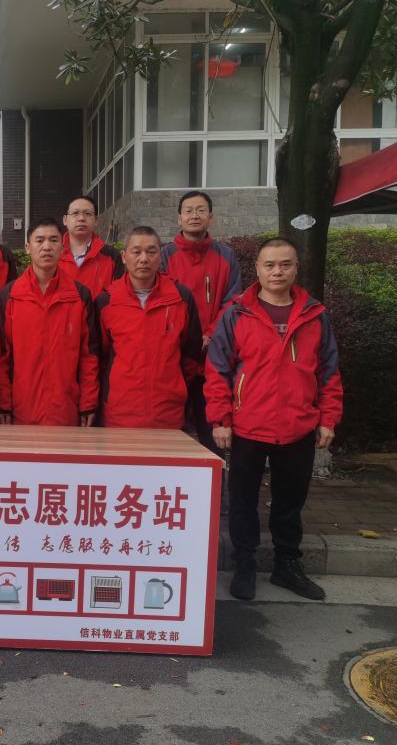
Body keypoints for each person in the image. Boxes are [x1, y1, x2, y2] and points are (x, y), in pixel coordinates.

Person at [205, 237, 343, 602]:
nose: (277, 271)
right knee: (242, 501)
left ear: (296, 268)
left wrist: (328, 418)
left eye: (285, 264)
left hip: (298, 425)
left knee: (289, 503)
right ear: (257, 269)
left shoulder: (314, 315)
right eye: (269, 265)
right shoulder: (237, 314)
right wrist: (220, 419)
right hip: (248, 425)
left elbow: (329, 372)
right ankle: (245, 564)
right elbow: (217, 370)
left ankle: (287, 565)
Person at [0, 218, 99, 426]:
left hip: (66, 410)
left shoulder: (79, 295)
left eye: (53, 240)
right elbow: (2, 357)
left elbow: (89, 356)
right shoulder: (10, 295)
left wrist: (88, 404)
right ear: (27, 247)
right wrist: (3, 404)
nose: (46, 247)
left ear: (63, 247)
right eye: (39, 240)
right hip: (22, 411)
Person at [95, 226, 202, 428]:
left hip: (168, 413)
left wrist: (177, 388)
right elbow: (100, 356)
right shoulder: (107, 301)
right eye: (136, 252)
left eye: (151, 252)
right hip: (120, 413)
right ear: (124, 257)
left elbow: (191, 354)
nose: (143, 259)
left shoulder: (181, 297)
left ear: (160, 256)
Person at [160, 191, 242, 454]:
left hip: (212, 356)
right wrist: (184, 338)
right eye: (188, 210)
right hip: (174, 356)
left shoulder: (226, 256)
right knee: (168, 432)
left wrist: (210, 335)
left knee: (212, 432)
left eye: (200, 210)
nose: (194, 215)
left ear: (211, 216)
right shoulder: (165, 256)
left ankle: (215, 479)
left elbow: (232, 301)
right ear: (179, 218)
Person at [58, 195, 123, 298]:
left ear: (96, 220)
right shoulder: (53, 254)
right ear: (65, 220)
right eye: (75, 213)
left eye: (87, 214)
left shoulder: (112, 256)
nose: (81, 218)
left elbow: (120, 296)